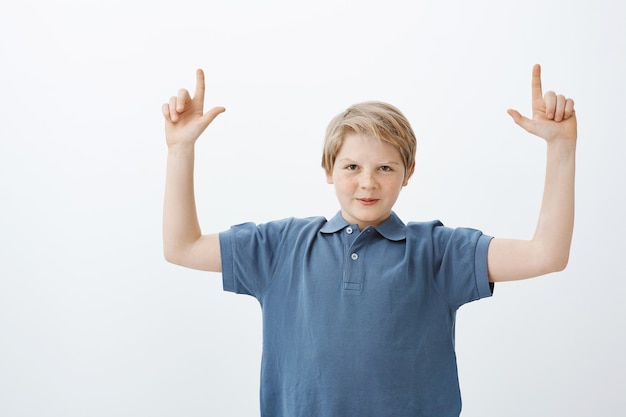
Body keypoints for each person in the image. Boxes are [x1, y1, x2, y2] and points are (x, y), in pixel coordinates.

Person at [161, 64, 576, 417]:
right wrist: (180, 149)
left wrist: (561, 147)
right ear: (328, 168)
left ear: (408, 172)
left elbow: (546, 255)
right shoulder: (281, 246)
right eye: (352, 166)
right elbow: (182, 247)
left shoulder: (437, 252)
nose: (367, 182)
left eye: (385, 167)